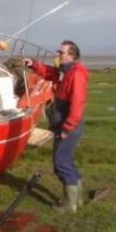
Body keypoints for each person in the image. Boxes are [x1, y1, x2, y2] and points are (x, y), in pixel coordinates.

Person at [24, 40, 89, 213]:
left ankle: (70, 205)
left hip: (68, 126)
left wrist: (67, 128)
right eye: (59, 52)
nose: (58, 55)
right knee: (66, 161)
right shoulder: (65, 71)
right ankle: (77, 199)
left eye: (62, 53)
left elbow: (78, 103)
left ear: (72, 55)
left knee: (61, 163)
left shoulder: (76, 75)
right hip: (64, 123)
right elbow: (50, 72)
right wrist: (34, 65)